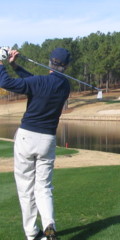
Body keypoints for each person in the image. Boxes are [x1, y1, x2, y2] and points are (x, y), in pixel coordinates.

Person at [0, 47, 71, 240]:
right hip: (47, 140)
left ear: (49, 62)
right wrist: (15, 65)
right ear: (66, 66)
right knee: (44, 187)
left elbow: (6, 82)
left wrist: (1, 63)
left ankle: (32, 233)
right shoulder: (65, 86)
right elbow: (33, 82)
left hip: (27, 138)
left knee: (26, 188)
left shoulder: (39, 82)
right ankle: (49, 224)